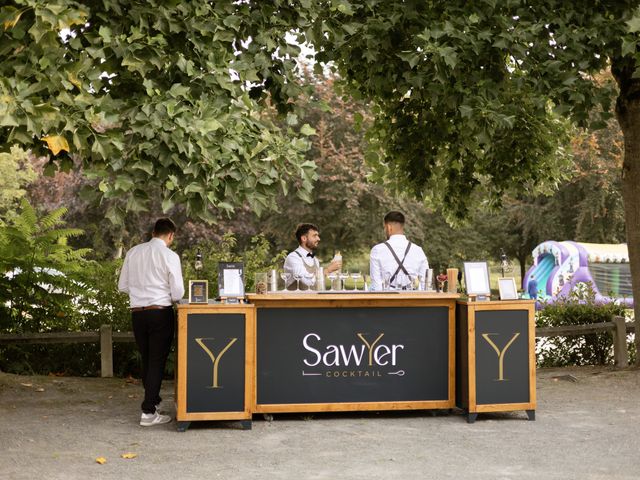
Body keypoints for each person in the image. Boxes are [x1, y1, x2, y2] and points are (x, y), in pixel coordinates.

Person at [118, 218, 185, 427]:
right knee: (157, 360)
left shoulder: (133, 252)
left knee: (147, 359)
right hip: (159, 312)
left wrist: (141, 292)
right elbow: (178, 292)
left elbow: (123, 286)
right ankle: (148, 412)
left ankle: (153, 402)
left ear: (153, 231)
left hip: (138, 313)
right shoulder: (170, 255)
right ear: (171, 235)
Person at [369, 211, 429, 291]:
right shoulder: (418, 250)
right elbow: (426, 283)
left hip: (387, 299)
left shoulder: (377, 250)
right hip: (412, 299)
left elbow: (376, 285)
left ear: (389, 227)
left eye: (384, 228)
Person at [283, 223, 342, 290]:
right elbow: (307, 282)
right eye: (314, 236)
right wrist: (328, 270)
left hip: (314, 300)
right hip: (297, 300)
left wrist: (333, 271)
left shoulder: (315, 260)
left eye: (318, 236)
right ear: (304, 238)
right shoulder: (293, 258)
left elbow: (317, 282)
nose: (319, 239)